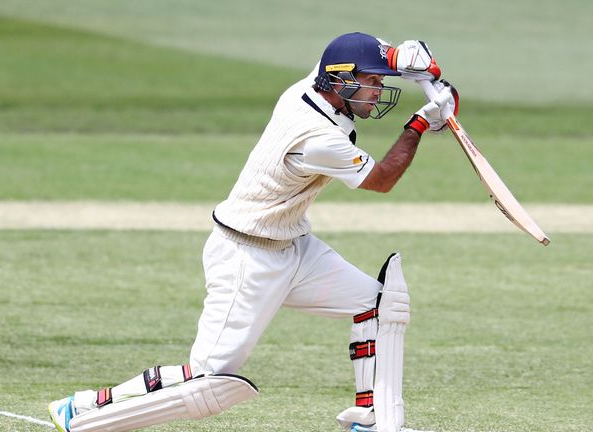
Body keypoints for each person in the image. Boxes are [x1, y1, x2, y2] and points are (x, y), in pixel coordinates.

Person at [48, 32, 456, 432]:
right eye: (371, 83)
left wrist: (404, 59)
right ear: (341, 82)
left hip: (294, 248)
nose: (377, 91)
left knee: (381, 306)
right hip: (247, 256)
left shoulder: (312, 84)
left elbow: (346, 52)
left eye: (380, 81)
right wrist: (420, 122)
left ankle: (374, 422)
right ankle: (81, 412)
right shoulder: (317, 138)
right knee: (209, 380)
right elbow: (382, 180)